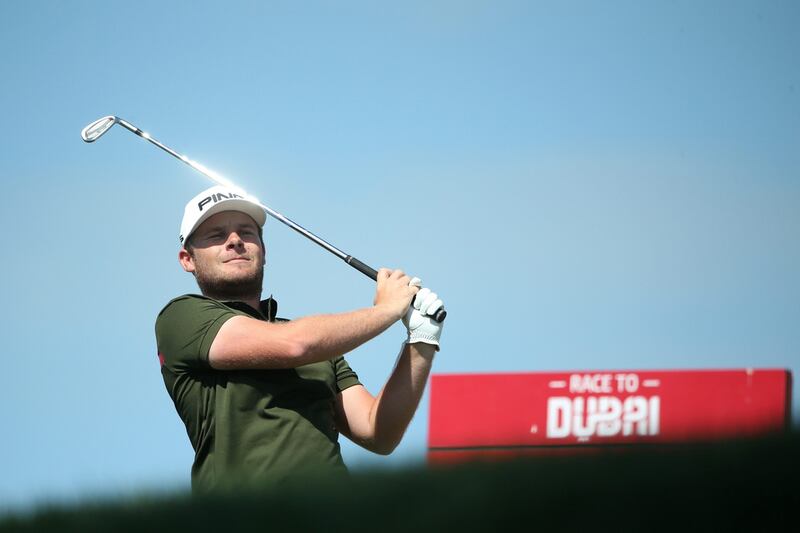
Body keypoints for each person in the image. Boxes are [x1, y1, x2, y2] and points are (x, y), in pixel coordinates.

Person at [155, 185, 445, 492]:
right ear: (187, 259)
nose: (235, 241)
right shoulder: (181, 318)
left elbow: (378, 432)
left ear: (263, 252)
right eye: (216, 235)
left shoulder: (321, 345)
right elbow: (294, 345)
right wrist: (387, 310)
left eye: (246, 232)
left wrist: (422, 339)